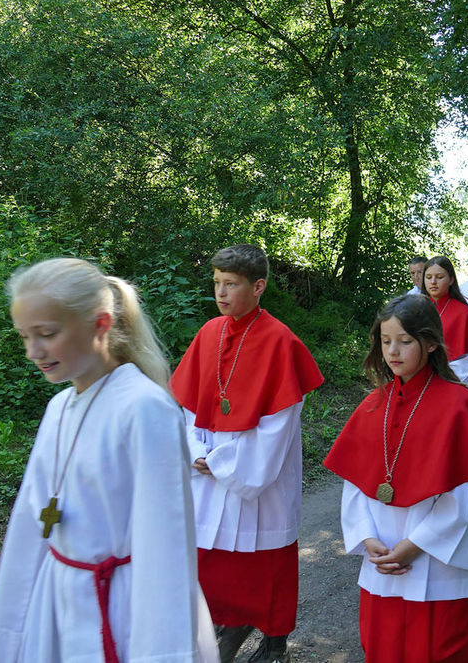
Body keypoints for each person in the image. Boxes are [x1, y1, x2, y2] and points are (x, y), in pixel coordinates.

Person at [0, 258, 218, 662]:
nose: (32, 351)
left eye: (46, 334)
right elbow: (31, 525)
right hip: (56, 601)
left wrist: (160, 652)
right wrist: (9, 634)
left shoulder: (144, 409)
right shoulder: (60, 406)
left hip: (121, 611)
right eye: (25, 336)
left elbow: (165, 547)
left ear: (100, 323)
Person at [323, 295, 468, 662]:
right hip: (383, 551)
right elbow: (356, 484)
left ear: (431, 342)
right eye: (386, 341)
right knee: (381, 645)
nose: (393, 351)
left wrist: (415, 544)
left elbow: (466, 496)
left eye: (404, 341)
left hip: (436, 557)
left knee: (440, 649)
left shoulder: (459, 406)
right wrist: (367, 537)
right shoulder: (373, 404)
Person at [170, 244, 324, 663]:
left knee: (266, 564)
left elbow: (280, 425)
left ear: (258, 287)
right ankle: (223, 627)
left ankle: (275, 643)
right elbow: (187, 408)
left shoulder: (280, 341)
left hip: (260, 472)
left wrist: (223, 462)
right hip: (209, 465)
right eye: (217, 283)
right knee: (215, 562)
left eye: (231, 284)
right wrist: (197, 450)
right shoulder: (208, 333)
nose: (221, 293)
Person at [421, 255, 468, 392]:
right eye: (428, 277)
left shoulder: (465, 314)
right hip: (420, 382)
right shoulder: (415, 311)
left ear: (451, 280)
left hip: (453, 384)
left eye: (439, 277)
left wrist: (440, 378)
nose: (433, 282)